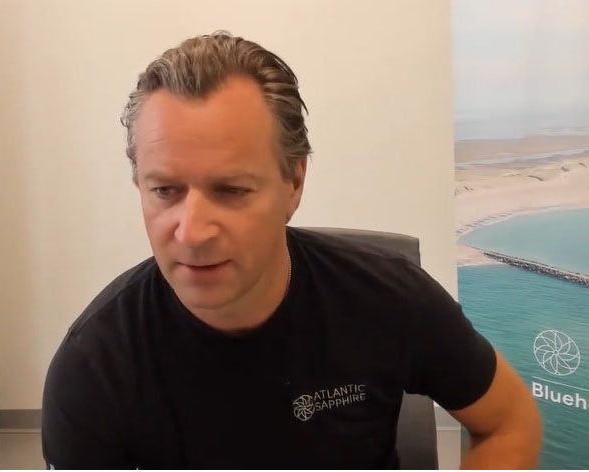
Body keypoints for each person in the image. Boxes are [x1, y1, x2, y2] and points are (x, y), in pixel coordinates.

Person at [42, 31, 542, 469]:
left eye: (231, 190)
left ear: (294, 183)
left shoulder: (389, 299)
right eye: (165, 191)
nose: (191, 233)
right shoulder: (95, 365)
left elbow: (508, 422)